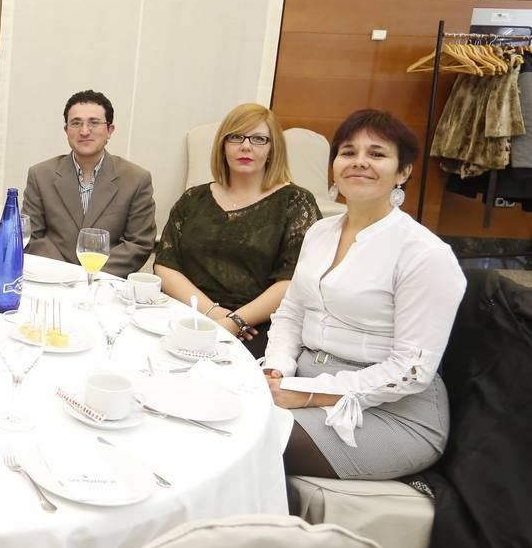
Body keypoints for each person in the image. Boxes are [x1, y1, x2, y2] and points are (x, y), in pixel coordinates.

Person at [263, 109, 465, 480]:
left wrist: (307, 394)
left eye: (377, 154)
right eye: (348, 152)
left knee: (250, 443)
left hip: (393, 412)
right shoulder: (320, 232)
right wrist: (278, 367)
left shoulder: (424, 253)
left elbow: (411, 371)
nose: (359, 162)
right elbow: (292, 311)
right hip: (304, 380)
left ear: (403, 172)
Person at [154, 103, 321, 358]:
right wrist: (212, 313)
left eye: (258, 139)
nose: (246, 146)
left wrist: (235, 321)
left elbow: (292, 281)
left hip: (257, 326)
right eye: (236, 137)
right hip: (189, 312)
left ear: (272, 148)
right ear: (223, 146)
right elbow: (166, 265)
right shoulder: (193, 198)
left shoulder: (295, 202)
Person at [22, 90, 156, 276]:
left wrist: (88, 274)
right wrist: (65, 274)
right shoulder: (40, 174)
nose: (84, 131)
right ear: (66, 130)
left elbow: (138, 244)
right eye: (76, 123)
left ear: (110, 130)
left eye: (94, 123)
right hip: (52, 278)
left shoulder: (136, 179)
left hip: (107, 283)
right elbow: (31, 237)